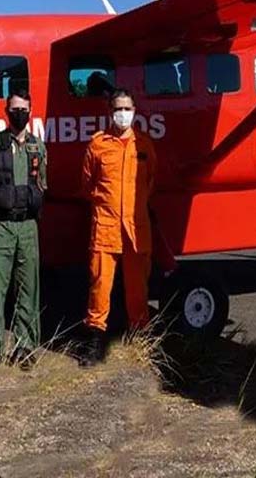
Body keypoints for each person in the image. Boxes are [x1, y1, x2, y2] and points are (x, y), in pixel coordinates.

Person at [78, 88, 157, 367]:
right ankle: (94, 345)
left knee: (138, 290)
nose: (122, 114)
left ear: (134, 110)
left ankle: (142, 342)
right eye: (117, 109)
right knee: (100, 288)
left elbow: (150, 184)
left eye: (127, 108)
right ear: (110, 113)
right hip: (106, 227)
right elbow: (88, 186)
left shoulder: (144, 145)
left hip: (136, 229)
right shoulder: (98, 144)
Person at [0, 89, 47, 369]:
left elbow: (43, 183)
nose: (20, 113)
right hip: (1, 227)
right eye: (15, 109)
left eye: (24, 109)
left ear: (30, 112)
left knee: (28, 289)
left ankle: (25, 347)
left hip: (28, 227)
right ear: (7, 112)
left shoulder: (38, 147)